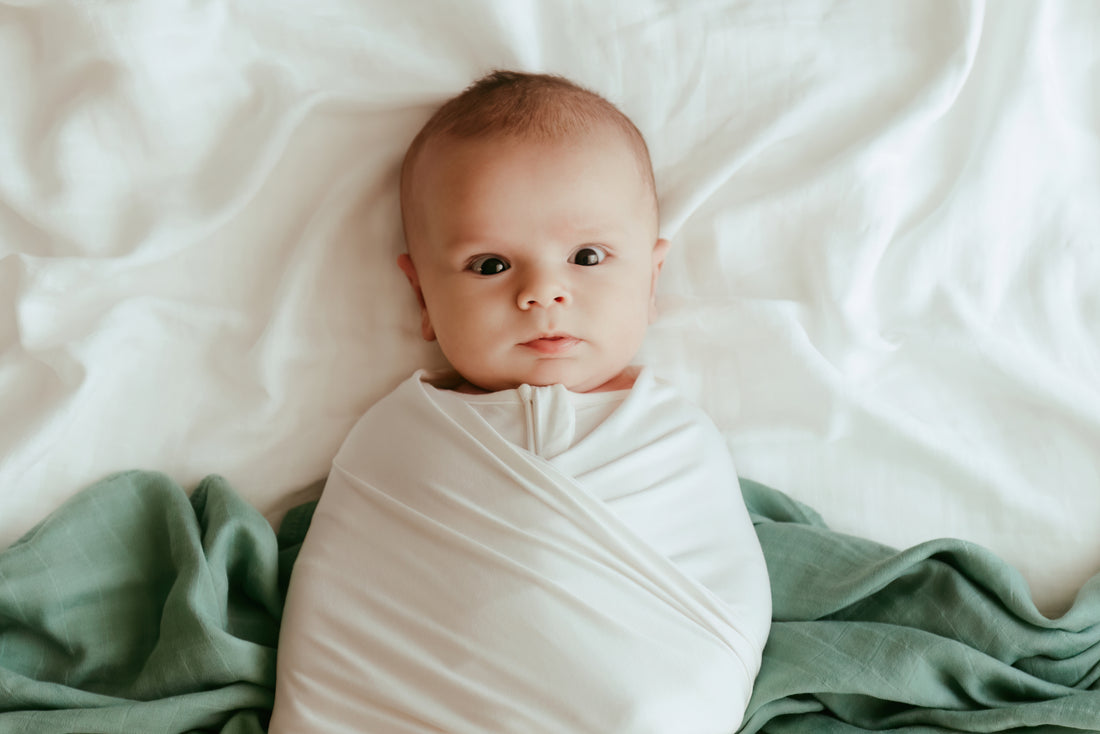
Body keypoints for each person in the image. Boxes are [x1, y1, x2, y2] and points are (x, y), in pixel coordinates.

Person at [270, 71, 771, 734]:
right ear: (423, 298)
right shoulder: (394, 443)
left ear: (652, 280)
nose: (543, 292)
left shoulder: (674, 439)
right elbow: (346, 617)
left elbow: (721, 614)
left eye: (587, 256)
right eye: (491, 265)